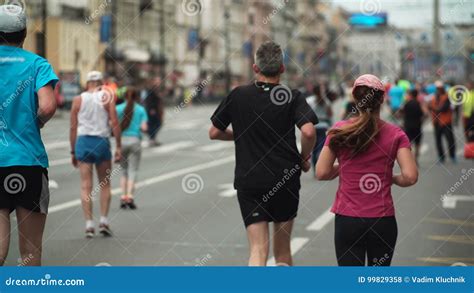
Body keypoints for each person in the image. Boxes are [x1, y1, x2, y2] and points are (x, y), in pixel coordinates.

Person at [209, 42, 317, 266]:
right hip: (285, 178)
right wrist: (305, 158)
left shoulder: (238, 95)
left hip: (250, 179)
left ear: (255, 67)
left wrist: (240, 135)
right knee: (283, 252)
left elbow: (214, 132)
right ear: (282, 69)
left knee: (257, 250)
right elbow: (308, 131)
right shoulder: (291, 95)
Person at [316, 74, 418, 266]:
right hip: (382, 220)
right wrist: (393, 178)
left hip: (348, 220)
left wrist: (345, 166)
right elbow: (411, 177)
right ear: (382, 99)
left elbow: (321, 172)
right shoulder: (396, 134)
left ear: (355, 98)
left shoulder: (339, 131)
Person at [0, 5, 58, 266]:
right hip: (28, 162)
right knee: (30, 252)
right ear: (23, 33)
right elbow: (47, 106)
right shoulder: (37, 64)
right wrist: (37, 123)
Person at [70, 71, 122, 238]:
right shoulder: (106, 96)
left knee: (86, 185)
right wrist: (119, 146)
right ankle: (104, 221)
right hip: (101, 142)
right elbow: (114, 121)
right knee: (105, 184)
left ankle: (89, 225)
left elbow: (73, 127)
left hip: (83, 142)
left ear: (87, 83)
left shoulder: (78, 99)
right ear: (101, 83)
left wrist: (73, 150)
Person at [116, 86, 148, 209]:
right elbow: (144, 128)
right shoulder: (140, 110)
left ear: (124, 96)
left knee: (123, 171)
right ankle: (130, 197)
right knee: (133, 171)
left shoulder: (118, 108)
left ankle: (123, 197)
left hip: (121, 142)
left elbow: (111, 123)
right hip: (135, 141)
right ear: (137, 97)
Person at [428, 81, 456, 164]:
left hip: (446, 122)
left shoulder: (446, 97)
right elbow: (430, 107)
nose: (438, 90)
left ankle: (452, 156)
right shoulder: (433, 98)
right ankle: (441, 157)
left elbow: (444, 109)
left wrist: (433, 108)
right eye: (437, 89)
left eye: (439, 89)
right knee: (438, 140)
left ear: (442, 89)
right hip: (437, 123)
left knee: (450, 140)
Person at [306, 85, 333, 171]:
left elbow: (306, 113)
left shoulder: (309, 100)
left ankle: (315, 169)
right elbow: (330, 114)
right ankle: (320, 160)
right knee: (321, 146)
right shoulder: (326, 101)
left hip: (313, 126)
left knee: (314, 148)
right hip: (323, 126)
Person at [401, 89, 427, 162]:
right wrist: (422, 120)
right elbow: (426, 114)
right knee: (418, 144)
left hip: (408, 127)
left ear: (411, 95)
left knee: (408, 144)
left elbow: (401, 112)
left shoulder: (407, 103)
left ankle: (410, 160)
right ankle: (416, 159)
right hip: (417, 126)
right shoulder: (419, 103)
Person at [144, 78, 164, 147]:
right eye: (157, 81)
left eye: (159, 81)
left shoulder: (157, 89)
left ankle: (153, 139)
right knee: (154, 124)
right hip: (152, 110)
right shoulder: (151, 90)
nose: (159, 82)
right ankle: (152, 139)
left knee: (158, 124)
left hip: (158, 110)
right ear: (154, 82)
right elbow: (148, 100)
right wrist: (151, 109)